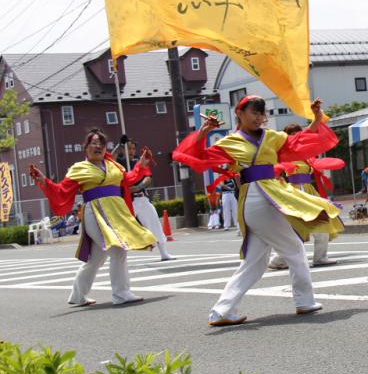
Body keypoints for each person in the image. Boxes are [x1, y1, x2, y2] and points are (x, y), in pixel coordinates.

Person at [172, 95, 342, 326]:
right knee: (294, 248)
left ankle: (222, 311)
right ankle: (304, 301)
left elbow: (300, 141)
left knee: (254, 263)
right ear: (239, 113)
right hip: (256, 196)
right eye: (254, 112)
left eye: (262, 113)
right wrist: (204, 132)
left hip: (270, 194)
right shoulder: (231, 142)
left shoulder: (272, 136)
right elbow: (197, 155)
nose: (259, 117)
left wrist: (317, 117)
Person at [31, 128, 156, 306]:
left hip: (116, 213)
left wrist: (141, 164)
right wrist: (45, 180)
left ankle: (77, 295)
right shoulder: (79, 168)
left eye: (101, 144)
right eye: (94, 143)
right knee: (118, 249)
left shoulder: (114, 166)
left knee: (96, 259)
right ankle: (121, 293)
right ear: (86, 147)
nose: (98, 146)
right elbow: (61, 189)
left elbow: (128, 179)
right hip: (95, 213)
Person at [268, 123, 345, 269]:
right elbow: (274, 169)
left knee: (322, 222)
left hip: (309, 191)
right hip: (295, 192)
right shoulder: (283, 153)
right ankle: (278, 260)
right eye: (293, 134)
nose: (297, 137)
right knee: (296, 228)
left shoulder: (306, 154)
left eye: (299, 133)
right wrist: (279, 176)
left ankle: (319, 257)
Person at [123, 139, 175, 261]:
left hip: (140, 198)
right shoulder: (118, 163)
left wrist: (139, 187)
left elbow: (148, 177)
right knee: (122, 228)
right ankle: (118, 257)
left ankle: (164, 253)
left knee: (154, 223)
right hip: (125, 201)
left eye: (133, 148)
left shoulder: (140, 162)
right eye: (128, 148)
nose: (131, 151)